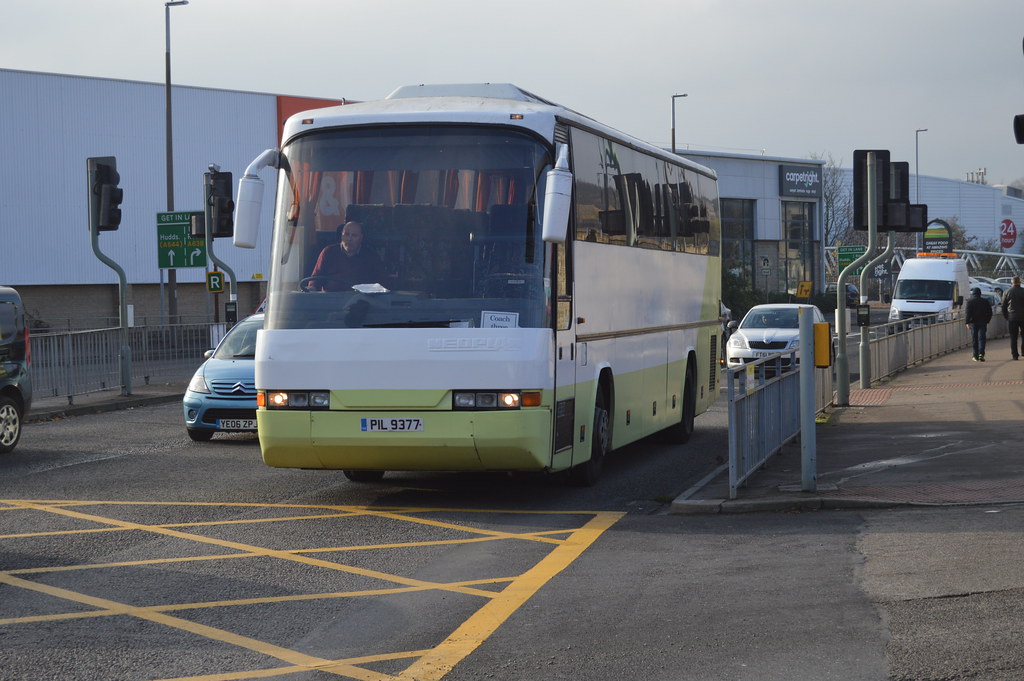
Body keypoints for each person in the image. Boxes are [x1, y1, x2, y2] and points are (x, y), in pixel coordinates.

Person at [308, 221, 383, 292]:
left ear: (361, 237)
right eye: (346, 234)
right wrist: (311, 289)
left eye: (354, 235)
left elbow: (380, 285)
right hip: (331, 301)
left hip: (360, 302)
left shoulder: (371, 256)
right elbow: (315, 280)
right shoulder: (328, 252)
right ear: (341, 235)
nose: (349, 239)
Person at [965, 287, 993, 361]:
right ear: (980, 293)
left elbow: (968, 314)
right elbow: (990, 313)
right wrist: (987, 320)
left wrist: (967, 322)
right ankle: (981, 354)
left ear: (973, 293)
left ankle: (975, 356)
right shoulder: (985, 301)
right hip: (983, 322)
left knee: (975, 339)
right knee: (982, 339)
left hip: (973, 323)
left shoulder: (969, 302)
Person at [1001, 276, 1024, 359]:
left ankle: (1015, 355)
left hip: (1012, 317)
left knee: (1013, 337)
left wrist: (1006, 316)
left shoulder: (1007, 292)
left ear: (1012, 283)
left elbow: (1003, 306)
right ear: (1019, 282)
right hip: (1023, 317)